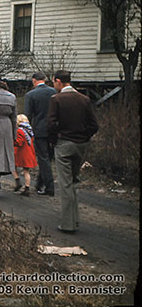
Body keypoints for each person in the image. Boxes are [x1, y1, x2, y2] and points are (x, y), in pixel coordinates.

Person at [47, 70, 98, 233]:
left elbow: (51, 124)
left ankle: (68, 224)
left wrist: (54, 140)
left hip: (64, 143)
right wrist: (85, 137)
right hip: (81, 144)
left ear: (58, 81)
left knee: (65, 184)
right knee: (74, 181)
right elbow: (94, 125)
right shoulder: (84, 99)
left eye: (54, 82)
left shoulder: (56, 99)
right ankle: (75, 220)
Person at [25, 72, 57, 196]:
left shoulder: (30, 95)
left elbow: (28, 115)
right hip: (53, 129)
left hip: (39, 130)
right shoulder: (53, 92)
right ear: (44, 79)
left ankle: (49, 187)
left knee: (43, 159)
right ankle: (39, 183)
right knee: (48, 157)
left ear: (34, 81)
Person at [13, 114, 37, 196]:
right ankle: (27, 188)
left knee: (13, 166)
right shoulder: (29, 130)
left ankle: (17, 181)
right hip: (29, 153)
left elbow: (19, 142)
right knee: (26, 171)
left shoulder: (20, 131)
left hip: (21, 153)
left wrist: (13, 142)